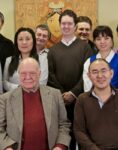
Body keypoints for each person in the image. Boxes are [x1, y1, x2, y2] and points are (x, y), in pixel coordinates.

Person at [0, 57, 71, 150]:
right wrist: (7, 148)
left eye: (32, 73)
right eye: (23, 73)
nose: (28, 77)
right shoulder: (5, 99)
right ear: (19, 75)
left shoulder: (55, 94)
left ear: (39, 74)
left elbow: (64, 124)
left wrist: (60, 146)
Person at [47, 9, 93, 150]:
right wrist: (62, 94)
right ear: (60, 25)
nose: (66, 26)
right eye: (63, 23)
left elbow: (87, 74)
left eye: (69, 24)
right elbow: (51, 75)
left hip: (80, 99)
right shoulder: (53, 50)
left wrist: (73, 93)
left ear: (74, 26)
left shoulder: (85, 48)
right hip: (60, 101)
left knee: (80, 134)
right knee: (62, 135)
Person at [74, 58, 118, 150]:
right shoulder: (82, 99)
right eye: (95, 72)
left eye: (103, 71)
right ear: (89, 76)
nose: (100, 75)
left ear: (111, 73)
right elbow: (79, 131)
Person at [3, 27, 47, 92]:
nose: (24, 42)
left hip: (35, 97)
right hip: (14, 97)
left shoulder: (42, 59)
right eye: (20, 39)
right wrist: (18, 88)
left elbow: (43, 83)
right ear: (16, 42)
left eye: (28, 39)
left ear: (33, 42)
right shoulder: (9, 60)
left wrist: (25, 89)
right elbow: (4, 82)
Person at [83, 25, 118, 92]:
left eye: (106, 38)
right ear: (94, 42)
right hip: (93, 100)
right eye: (98, 39)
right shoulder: (89, 62)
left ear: (112, 40)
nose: (102, 42)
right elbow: (87, 88)